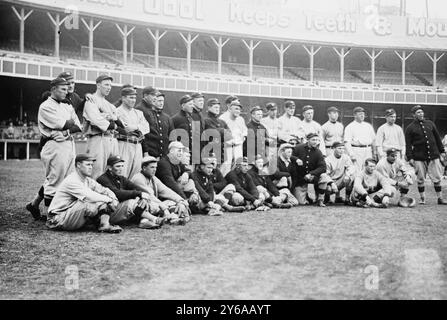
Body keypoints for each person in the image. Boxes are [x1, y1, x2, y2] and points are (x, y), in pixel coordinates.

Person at [28, 77, 82, 220]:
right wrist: (69, 125)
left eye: (67, 89)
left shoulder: (67, 105)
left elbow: (78, 126)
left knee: (68, 178)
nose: (66, 92)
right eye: (63, 89)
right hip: (54, 144)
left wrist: (67, 130)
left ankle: (51, 208)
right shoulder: (46, 106)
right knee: (55, 180)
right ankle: (50, 215)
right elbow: (65, 123)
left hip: (68, 142)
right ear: (53, 89)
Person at [45, 154, 122, 233]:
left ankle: (104, 225)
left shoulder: (87, 179)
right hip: (57, 218)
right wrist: (109, 200)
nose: (91, 167)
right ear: (78, 165)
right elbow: (90, 196)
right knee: (92, 201)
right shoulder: (72, 180)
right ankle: (103, 224)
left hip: (70, 213)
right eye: (88, 164)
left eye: (92, 165)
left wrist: (113, 198)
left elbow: (104, 190)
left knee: (100, 199)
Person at [96, 155, 165, 229]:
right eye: (118, 166)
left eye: (122, 166)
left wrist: (143, 197)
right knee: (131, 202)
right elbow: (117, 193)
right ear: (109, 168)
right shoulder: (102, 179)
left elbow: (139, 189)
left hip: (120, 210)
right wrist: (139, 194)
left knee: (145, 201)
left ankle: (144, 221)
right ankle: (154, 219)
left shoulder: (121, 178)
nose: (121, 169)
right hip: (107, 213)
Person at [405, 105, 447, 205]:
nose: (421, 114)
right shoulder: (410, 128)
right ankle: (422, 198)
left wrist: (442, 151)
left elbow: (437, 138)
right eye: (418, 112)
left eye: (422, 112)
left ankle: (440, 198)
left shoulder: (430, 124)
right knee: (420, 179)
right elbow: (408, 144)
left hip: (433, 155)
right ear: (413, 115)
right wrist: (410, 157)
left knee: (437, 178)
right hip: (419, 157)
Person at [131, 156, 191, 225]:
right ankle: (169, 218)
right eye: (152, 167)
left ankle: (173, 218)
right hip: (141, 207)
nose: (154, 170)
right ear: (144, 168)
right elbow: (150, 196)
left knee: (171, 202)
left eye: (156, 167)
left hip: (154, 204)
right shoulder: (138, 178)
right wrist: (164, 208)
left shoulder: (153, 178)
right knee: (152, 205)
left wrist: (181, 200)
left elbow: (165, 190)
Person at [83, 74, 120, 179]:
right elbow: (96, 121)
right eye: (106, 85)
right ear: (98, 85)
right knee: (96, 172)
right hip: (98, 138)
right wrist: (109, 119)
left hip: (111, 139)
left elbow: (117, 121)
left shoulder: (110, 105)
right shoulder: (91, 100)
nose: (109, 88)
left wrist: (106, 117)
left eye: (110, 85)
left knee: (113, 172)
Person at [116, 85, 150, 179]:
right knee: (122, 172)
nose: (133, 100)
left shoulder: (138, 113)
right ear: (123, 98)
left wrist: (135, 127)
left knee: (135, 173)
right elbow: (125, 128)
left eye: (135, 98)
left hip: (137, 145)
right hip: (123, 144)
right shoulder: (117, 111)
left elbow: (146, 128)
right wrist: (138, 128)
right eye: (130, 97)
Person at [156, 141, 200, 208]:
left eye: (182, 151)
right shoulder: (164, 163)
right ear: (171, 151)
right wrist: (184, 199)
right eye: (179, 150)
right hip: (162, 195)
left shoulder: (177, 162)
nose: (181, 153)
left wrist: (186, 173)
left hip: (173, 192)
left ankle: (193, 202)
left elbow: (190, 172)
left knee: (190, 181)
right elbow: (171, 184)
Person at [292, 133, 330, 207]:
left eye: (317, 140)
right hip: (300, 178)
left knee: (324, 177)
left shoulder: (318, 152)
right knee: (301, 202)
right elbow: (289, 156)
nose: (315, 142)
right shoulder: (298, 148)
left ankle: (320, 200)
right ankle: (306, 196)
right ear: (307, 140)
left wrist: (312, 173)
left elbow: (323, 167)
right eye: (313, 140)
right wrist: (296, 159)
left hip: (312, 177)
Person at [136, 86, 174, 159]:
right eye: (153, 95)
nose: (155, 98)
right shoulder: (141, 109)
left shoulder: (150, 109)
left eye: (156, 96)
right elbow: (143, 133)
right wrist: (145, 151)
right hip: (148, 152)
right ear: (145, 95)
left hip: (156, 152)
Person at [219, 100, 248, 176]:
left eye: (239, 109)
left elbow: (245, 130)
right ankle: (223, 182)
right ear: (230, 109)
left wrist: (244, 136)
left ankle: (235, 182)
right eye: (235, 108)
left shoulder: (241, 119)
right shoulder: (223, 118)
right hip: (227, 146)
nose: (237, 111)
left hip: (238, 146)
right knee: (226, 165)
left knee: (238, 165)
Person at [344, 106, 376, 173]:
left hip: (368, 150)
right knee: (357, 170)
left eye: (363, 114)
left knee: (368, 169)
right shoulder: (350, 126)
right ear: (355, 115)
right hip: (357, 150)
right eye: (360, 114)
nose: (362, 115)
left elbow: (373, 140)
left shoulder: (368, 126)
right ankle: (357, 183)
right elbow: (347, 142)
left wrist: (374, 153)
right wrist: (351, 154)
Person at [203, 98, 232, 165]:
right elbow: (214, 134)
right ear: (209, 107)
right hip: (211, 154)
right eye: (215, 107)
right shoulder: (206, 121)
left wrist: (221, 131)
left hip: (222, 155)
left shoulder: (222, 122)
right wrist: (222, 131)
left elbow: (230, 135)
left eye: (218, 107)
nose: (217, 109)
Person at [171, 95, 198, 160]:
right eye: (190, 104)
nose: (192, 106)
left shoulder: (191, 118)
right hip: (181, 153)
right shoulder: (175, 119)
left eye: (193, 104)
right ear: (183, 105)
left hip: (191, 153)